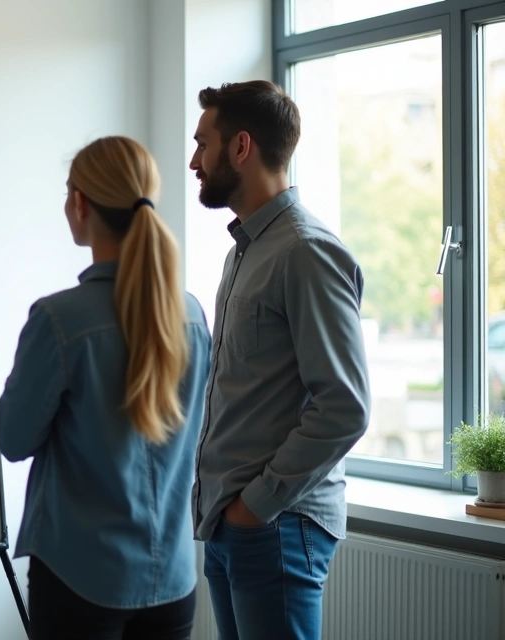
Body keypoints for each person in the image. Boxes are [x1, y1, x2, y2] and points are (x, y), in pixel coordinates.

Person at [0, 136, 213, 640]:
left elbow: (13, 439)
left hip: (80, 579)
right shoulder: (192, 315)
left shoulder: (58, 320)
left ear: (80, 203)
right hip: (174, 580)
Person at [189, 80, 370, 639]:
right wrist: (231, 513)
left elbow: (344, 407)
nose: (194, 161)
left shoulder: (306, 251)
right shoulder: (245, 250)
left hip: (274, 523)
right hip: (233, 523)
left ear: (241, 148)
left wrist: (256, 506)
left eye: (202, 143)